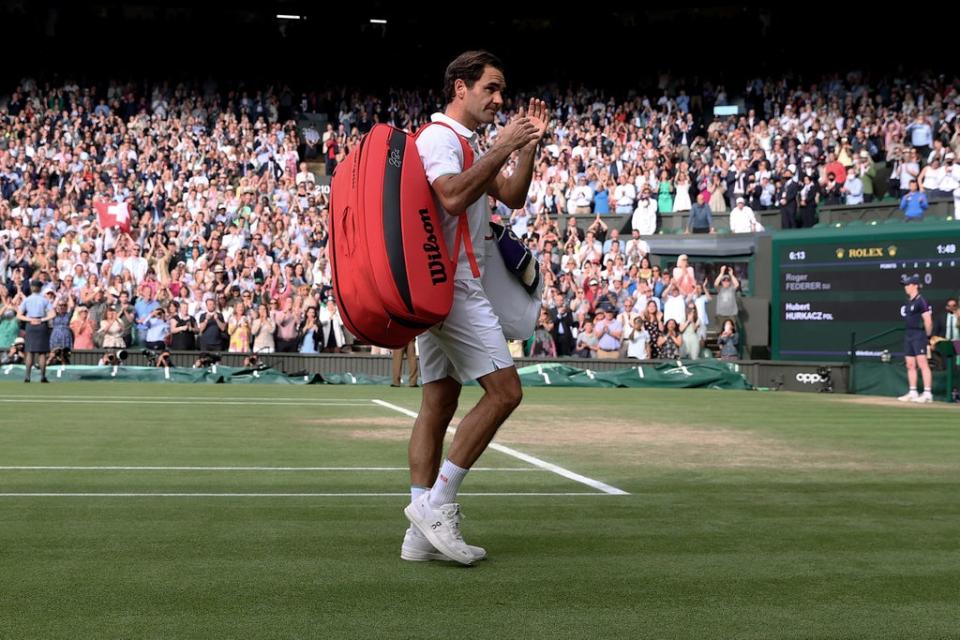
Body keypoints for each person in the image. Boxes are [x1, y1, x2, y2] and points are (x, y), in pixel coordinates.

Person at [402, 51, 546, 566]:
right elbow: (451, 197)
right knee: (505, 392)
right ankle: (437, 504)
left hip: (443, 283)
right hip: (452, 285)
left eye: (502, 90)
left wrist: (524, 147)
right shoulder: (442, 138)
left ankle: (419, 534)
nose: (500, 99)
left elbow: (512, 194)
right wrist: (504, 144)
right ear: (460, 88)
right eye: (491, 88)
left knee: (438, 404)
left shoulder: (466, 141)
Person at [898, 274, 933, 403]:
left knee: (923, 364)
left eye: (908, 285)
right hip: (908, 334)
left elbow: (928, 320)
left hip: (919, 335)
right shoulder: (909, 302)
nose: (905, 287)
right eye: (905, 285)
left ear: (915, 286)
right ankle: (913, 391)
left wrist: (928, 337)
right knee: (910, 364)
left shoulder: (921, 300)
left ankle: (927, 393)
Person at [16, 280, 54, 382]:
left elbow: (19, 315)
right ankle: (42, 376)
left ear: (32, 288)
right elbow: (52, 314)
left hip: (31, 325)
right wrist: (41, 320)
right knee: (42, 353)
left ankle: (27, 376)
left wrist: (30, 319)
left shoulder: (27, 300)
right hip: (40, 325)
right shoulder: (44, 300)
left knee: (30, 352)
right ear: (40, 288)